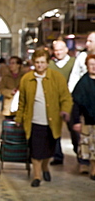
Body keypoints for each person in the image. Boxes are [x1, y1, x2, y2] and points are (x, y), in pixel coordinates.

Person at [15, 48, 73, 187]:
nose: (40, 65)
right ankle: (37, 176)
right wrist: (19, 118)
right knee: (35, 150)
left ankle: (45, 167)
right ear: (33, 63)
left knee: (48, 149)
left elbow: (66, 97)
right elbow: (22, 101)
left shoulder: (57, 78)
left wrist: (65, 110)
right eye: (37, 62)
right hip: (33, 120)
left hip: (51, 121)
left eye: (42, 62)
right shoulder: (26, 79)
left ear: (47, 63)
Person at [67, 32, 95, 173]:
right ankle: (83, 161)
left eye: (90, 41)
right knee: (83, 137)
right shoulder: (81, 58)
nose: (87, 44)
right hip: (83, 104)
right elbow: (74, 78)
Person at [48, 40, 76, 166]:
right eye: (56, 50)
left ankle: (80, 154)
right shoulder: (50, 65)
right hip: (54, 101)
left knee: (74, 128)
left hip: (71, 101)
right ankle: (57, 155)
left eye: (60, 49)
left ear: (66, 49)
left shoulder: (74, 63)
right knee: (55, 129)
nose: (58, 52)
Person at [71, 54, 95, 181]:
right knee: (91, 147)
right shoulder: (82, 83)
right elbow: (76, 104)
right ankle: (93, 169)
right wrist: (76, 121)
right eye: (91, 64)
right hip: (88, 121)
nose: (94, 67)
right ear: (87, 66)